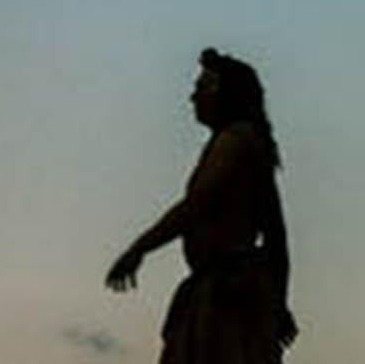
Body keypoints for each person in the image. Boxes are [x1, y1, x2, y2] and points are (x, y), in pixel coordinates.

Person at [107, 48, 299, 363]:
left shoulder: (237, 140)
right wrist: (277, 302)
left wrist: (139, 248)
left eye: (202, 88)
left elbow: (196, 205)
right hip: (228, 293)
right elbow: (277, 237)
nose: (193, 98)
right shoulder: (244, 142)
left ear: (226, 94)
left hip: (227, 297)